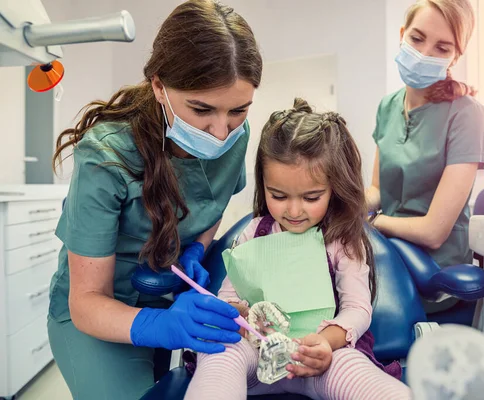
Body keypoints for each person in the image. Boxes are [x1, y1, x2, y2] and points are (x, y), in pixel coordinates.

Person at [46, 1, 263, 399]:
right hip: (101, 310)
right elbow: (87, 301)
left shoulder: (237, 134)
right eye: (201, 109)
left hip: (170, 292)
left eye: (238, 110)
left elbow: (212, 204)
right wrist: (158, 326)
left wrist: (196, 250)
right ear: (160, 87)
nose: (220, 132)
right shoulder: (106, 155)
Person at [184, 98, 412, 400]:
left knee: (356, 368)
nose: (293, 210)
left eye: (311, 197)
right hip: (257, 357)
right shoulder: (254, 233)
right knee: (221, 351)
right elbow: (230, 294)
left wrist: (324, 343)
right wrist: (234, 312)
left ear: (335, 187)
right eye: (278, 195)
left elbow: (357, 309)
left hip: (322, 361)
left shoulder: (342, 239)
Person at [366, 0, 484, 311]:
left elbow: (434, 232)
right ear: (402, 34)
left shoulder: (467, 115)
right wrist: (343, 209)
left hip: (434, 273)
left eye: (442, 47)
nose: (424, 54)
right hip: (389, 256)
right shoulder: (387, 106)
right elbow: (377, 191)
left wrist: (376, 223)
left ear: (455, 56)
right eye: (417, 38)